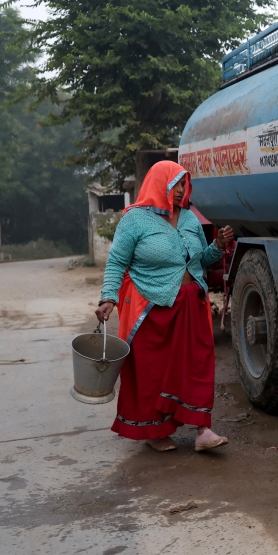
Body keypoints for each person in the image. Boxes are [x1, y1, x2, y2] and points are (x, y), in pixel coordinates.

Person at [96, 160, 235, 453]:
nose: (182, 189)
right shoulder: (135, 220)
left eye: (184, 184)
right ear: (159, 183)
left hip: (191, 305)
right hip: (151, 307)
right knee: (151, 371)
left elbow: (200, 260)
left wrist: (218, 247)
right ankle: (154, 431)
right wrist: (108, 297)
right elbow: (117, 262)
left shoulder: (189, 219)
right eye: (176, 183)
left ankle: (202, 429)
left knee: (197, 364)